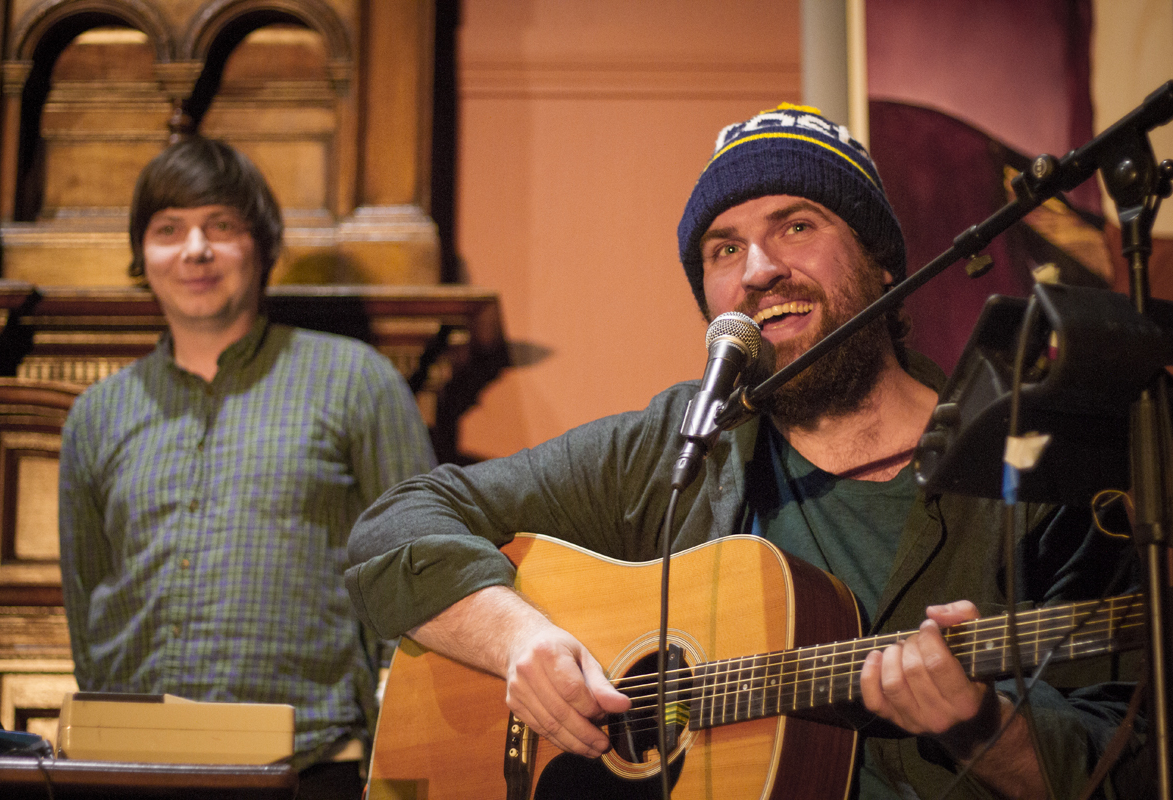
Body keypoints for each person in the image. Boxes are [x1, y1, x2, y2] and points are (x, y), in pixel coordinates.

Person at [344, 105, 1141, 799]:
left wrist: (983, 727)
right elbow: (392, 526)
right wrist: (517, 639)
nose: (758, 272)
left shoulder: (1038, 466)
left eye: (796, 226)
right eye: (723, 250)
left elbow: (1128, 764)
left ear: (882, 261)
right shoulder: (675, 443)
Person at [59, 138, 436, 798]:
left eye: (221, 226)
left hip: (311, 768)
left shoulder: (357, 383)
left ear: (260, 246)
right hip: (130, 771)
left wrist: (397, 767)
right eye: (168, 230)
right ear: (142, 255)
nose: (195, 250)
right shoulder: (96, 416)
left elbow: (416, 572)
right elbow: (88, 601)